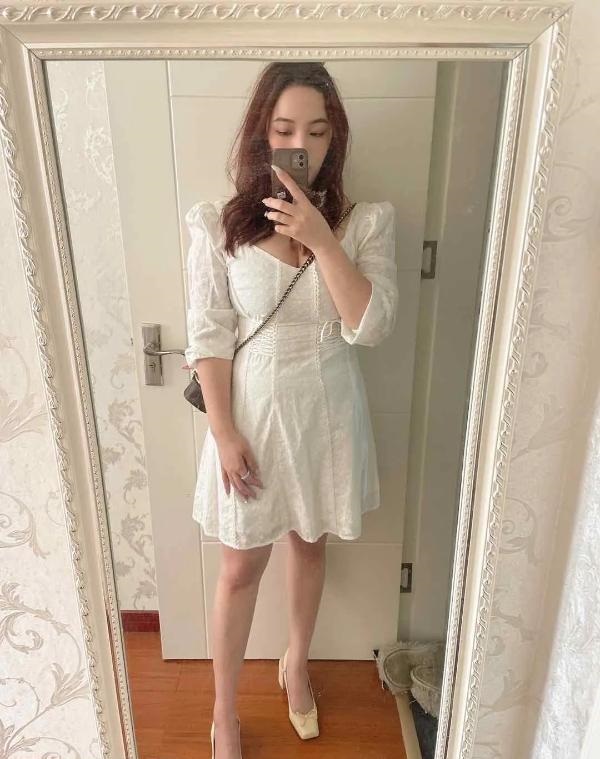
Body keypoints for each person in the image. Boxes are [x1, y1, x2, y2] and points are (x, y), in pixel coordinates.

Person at [182, 62, 398, 759]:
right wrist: (223, 432)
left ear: (336, 139)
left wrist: (323, 238)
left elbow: (370, 326)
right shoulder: (219, 225)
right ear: (260, 135)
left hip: (328, 412)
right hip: (250, 415)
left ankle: (296, 662)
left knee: (309, 544)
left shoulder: (365, 223)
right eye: (283, 130)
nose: (299, 144)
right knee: (239, 568)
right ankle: (224, 712)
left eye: (316, 130)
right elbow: (208, 335)